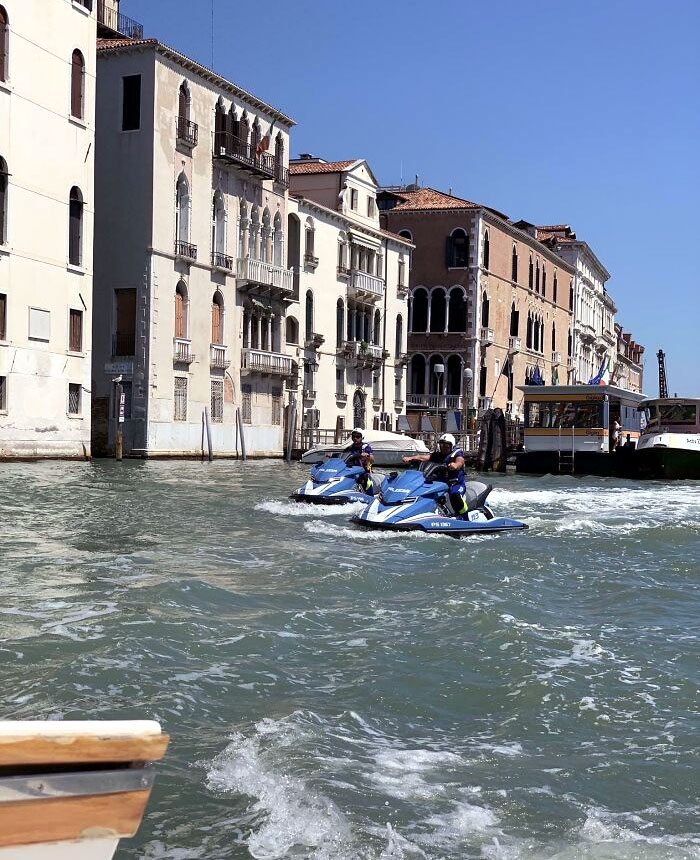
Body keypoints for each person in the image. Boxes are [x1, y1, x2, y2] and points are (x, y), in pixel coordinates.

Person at [403, 433, 468, 518]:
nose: (444, 447)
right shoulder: (437, 455)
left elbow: (460, 461)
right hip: (440, 484)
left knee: (455, 495)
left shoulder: (456, 454)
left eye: (447, 445)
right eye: (442, 444)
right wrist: (411, 458)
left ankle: (465, 517)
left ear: (451, 446)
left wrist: (455, 465)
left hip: (455, 484)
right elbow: (425, 457)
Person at [346, 428, 374, 493]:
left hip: (363, 471)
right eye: (353, 436)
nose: (355, 438)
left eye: (358, 436)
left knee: (367, 479)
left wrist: (367, 456)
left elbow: (372, 459)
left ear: (362, 437)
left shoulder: (365, 447)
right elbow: (343, 456)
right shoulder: (350, 448)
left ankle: (370, 496)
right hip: (351, 471)